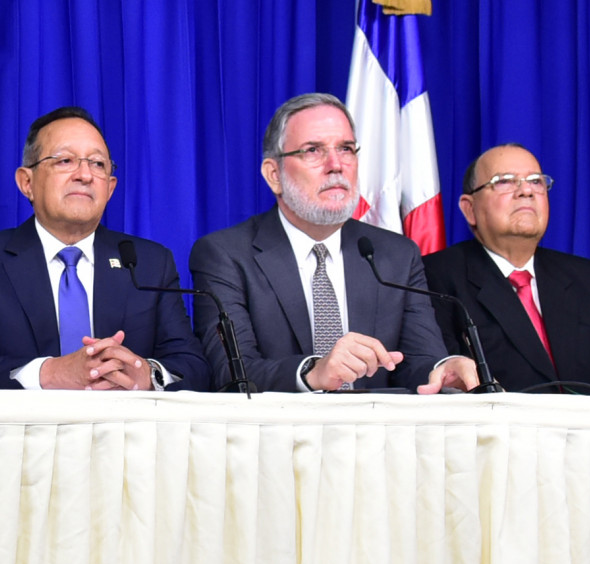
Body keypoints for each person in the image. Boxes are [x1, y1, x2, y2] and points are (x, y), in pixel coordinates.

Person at [189, 92, 478, 393]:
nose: (336, 165)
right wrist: (313, 372)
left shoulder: (396, 255)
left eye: (346, 149)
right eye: (313, 150)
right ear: (274, 175)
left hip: (376, 422)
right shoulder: (226, 255)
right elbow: (231, 373)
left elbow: (416, 362)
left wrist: (442, 370)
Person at [0, 107, 210, 391]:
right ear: (27, 182)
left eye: (98, 164)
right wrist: (51, 372)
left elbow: (193, 367)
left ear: (110, 188)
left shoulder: (149, 263)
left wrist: (148, 375)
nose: (85, 175)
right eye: (65, 160)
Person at [422, 143, 590, 394]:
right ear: (469, 208)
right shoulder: (436, 276)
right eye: (505, 181)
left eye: (536, 181)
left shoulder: (589, 278)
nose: (526, 191)